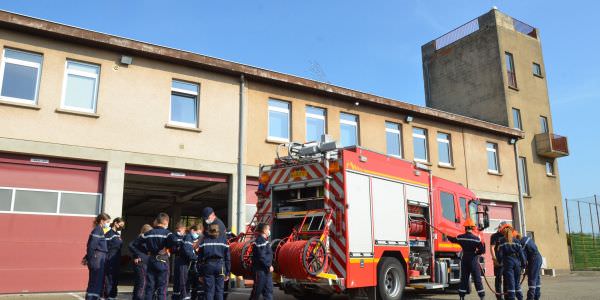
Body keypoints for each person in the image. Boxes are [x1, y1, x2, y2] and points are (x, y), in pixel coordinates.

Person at [132, 212, 177, 300]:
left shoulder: (148, 233)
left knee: (149, 288)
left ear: (158, 221)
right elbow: (176, 243)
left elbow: (134, 244)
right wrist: (169, 249)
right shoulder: (168, 234)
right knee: (162, 289)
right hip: (163, 261)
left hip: (151, 261)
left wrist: (142, 254)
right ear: (166, 222)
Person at [446, 218, 485, 300]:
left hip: (465, 259)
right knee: (477, 278)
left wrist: (447, 236)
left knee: (464, 278)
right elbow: (482, 250)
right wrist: (476, 253)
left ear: (465, 228)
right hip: (473, 260)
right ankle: (482, 297)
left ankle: (462, 297)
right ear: (473, 228)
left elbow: (453, 240)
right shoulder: (476, 239)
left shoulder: (461, 237)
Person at [198, 223, 231, 300]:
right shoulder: (224, 241)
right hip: (220, 266)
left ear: (209, 230)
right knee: (219, 291)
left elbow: (199, 259)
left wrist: (200, 274)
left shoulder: (204, 241)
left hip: (208, 266)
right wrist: (228, 272)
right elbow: (228, 258)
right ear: (218, 231)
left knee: (209, 291)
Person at [83, 213, 111, 300]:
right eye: (107, 222)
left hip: (98, 257)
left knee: (95, 281)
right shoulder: (98, 230)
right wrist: (89, 257)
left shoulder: (99, 230)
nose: (108, 224)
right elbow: (92, 246)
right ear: (102, 221)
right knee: (96, 281)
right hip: (97, 258)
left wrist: (87, 257)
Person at [497, 224, 527, 300]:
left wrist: (499, 262)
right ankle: (520, 298)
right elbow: (521, 254)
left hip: (508, 262)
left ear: (504, 231)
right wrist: (523, 265)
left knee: (511, 283)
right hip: (517, 262)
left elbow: (499, 254)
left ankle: (512, 298)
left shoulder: (502, 241)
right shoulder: (517, 241)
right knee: (517, 283)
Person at [249, 223, 273, 300]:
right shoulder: (260, 241)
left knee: (268, 291)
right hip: (260, 271)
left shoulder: (264, 241)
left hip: (266, 270)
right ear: (264, 230)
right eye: (268, 229)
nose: (269, 231)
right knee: (257, 292)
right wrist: (268, 266)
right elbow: (261, 257)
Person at [129, 224, 153, 300]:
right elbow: (131, 245)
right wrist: (138, 255)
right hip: (141, 263)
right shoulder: (141, 238)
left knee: (138, 283)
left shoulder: (144, 238)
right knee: (143, 283)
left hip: (143, 262)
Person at [104, 217, 125, 300]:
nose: (121, 227)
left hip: (117, 260)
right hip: (110, 260)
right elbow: (104, 247)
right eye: (121, 225)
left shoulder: (118, 234)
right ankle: (108, 296)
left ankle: (113, 295)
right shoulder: (109, 234)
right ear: (116, 223)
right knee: (109, 279)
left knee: (115, 279)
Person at [518, 233, 542, 300]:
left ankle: (530, 298)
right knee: (536, 278)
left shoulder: (522, 243)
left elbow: (523, 258)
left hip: (534, 259)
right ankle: (536, 296)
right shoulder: (526, 238)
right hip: (538, 258)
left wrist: (522, 267)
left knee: (532, 278)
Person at [491, 221, 509, 300]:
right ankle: (499, 298)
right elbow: (492, 247)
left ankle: (507, 297)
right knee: (498, 280)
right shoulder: (494, 236)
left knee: (507, 280)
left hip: (507, 262)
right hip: (498, 262)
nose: (499, 229)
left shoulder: (508, 236)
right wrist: (494, 259)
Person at [173, 222, 188, 300]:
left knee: (183, 278)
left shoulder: (185, 236)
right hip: (179, 259)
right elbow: (173, 249)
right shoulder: (175, 236)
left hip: (185, 260)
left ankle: (182, 295)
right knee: (179, 278)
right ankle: (180, 295)